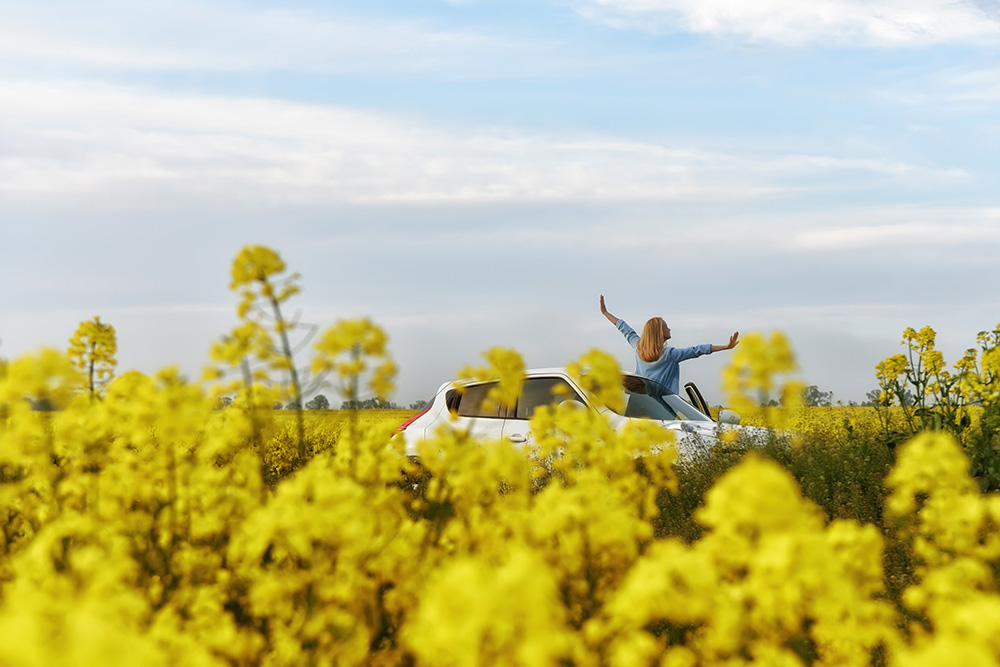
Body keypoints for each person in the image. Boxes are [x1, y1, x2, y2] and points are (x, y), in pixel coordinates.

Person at [599, 295, 739, 394]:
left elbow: (624, 329)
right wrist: (725, 347)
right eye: (666, 327)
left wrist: (605, 313)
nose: (670, 329)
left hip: (639, 402)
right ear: (660, 332)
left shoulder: (638, 347)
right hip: (663, 408)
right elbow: (697, 350)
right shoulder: (670, 355)